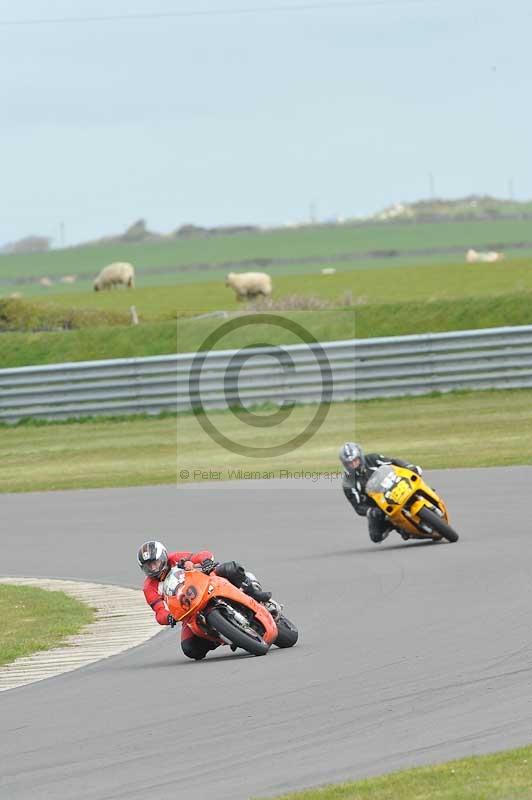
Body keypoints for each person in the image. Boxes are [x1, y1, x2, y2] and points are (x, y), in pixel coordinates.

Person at [137, 540, 275, 660]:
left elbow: (199, 555)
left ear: (163, 557)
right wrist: (169, 617)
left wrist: (206, 561)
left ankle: (255, 593)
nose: (153, 568)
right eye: (148, 566)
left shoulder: (175, 559)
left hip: (205, 584)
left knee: (231, 568)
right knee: (190, 649)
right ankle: (220, 636)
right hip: (188, 609)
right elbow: (159, 611)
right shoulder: (149, 587)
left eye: (155, 563)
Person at [339, 442, 422, 543]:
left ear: (360, 456)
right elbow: (358, 506)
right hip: (380, 504)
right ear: (345, 464)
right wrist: (370, 511)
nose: (353, 464)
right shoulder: (348, 483)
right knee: (376, 537)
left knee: (414, 475)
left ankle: (426, 493)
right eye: (349, 463)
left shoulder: (372, 459)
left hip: (396, 485)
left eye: (355, 460)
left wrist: (409, 466)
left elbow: (393, 462)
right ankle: (396, 525)